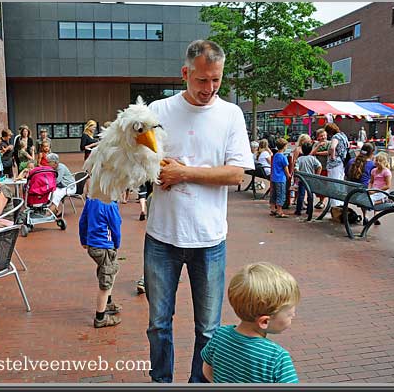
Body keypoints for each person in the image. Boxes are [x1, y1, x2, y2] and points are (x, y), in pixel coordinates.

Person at [144, 39, 254, 383]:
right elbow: (139, 162)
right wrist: (156, 167)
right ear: (185, 73)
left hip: (209, 239)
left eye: (216, 80)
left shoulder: (230, 114)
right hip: (162, 237)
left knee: (208, 328)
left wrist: (184, 172)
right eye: (202, 80)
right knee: (158, 323)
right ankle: (161, 381)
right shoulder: (158, 111)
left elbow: (237, 174)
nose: (209, 89)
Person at [201, 262, 300, 383]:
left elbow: (207, 370)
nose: (293, 316)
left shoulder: (219, 335)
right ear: (264, 321)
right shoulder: (276, 357)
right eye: (289, 314)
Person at [79, 197, 123, 328]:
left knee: (111, 269)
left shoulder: (91, 199)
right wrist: (117, 244)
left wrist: (83, 239)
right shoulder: (110, 204)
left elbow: (83, 221)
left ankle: (107, 302)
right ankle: (100, 317)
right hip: (105, 246)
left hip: (93, 245)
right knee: (106, 280)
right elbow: (116, 227)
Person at [345, 142, 376, 225]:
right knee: (377, 189)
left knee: (364, 188)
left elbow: (346, 175)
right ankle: (372, 216)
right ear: (372, 153)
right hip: (363, 195)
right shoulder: (372, 165)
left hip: (350, 193)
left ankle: (365, 216)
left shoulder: (351, 161)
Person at [294, 143, 322, 216]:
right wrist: (317, 175)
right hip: (311, 179)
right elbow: (319, 166)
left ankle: (298, 210)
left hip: (302, 179)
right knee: (310, 195)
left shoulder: (300, 159)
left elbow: (296, 168)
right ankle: (309, 210)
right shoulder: (312, 158)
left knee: (301, 195)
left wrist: (297, 175)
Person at [325, 122, 349, 206]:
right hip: (342, 162)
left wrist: (332, 156)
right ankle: (340, 203)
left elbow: (332, 147)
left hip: (334, 164)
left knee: (334, 184)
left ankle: (335, 205)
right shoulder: (343, 135)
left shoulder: (335, 137)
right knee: (340, 181)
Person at [47, 153, 76, 217]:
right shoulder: (53, 168)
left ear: (55, 162)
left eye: (49, 162)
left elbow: (57, 180)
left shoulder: (60, 168)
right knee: (50, 193)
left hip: (69, 186)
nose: (47, 163)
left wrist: (48, 184)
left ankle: (48, 213)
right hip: (61, 186)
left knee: (57, 195)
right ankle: (56, 210)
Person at [368, 152, 392, 225]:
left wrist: (375, 191)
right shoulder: (374, 171)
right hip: (374, 190)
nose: (377, 162)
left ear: (384, 162)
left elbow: (388, 186)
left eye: (379, 161)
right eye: (376, 160)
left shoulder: (386, 172)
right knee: (368, 198)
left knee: (370, 200)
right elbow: (371, 181)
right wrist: (369, 189)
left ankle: (384, 200)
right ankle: (376, 215)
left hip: (382, 191)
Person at [269, 138, 291, 218]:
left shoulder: (275, 155)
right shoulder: (283, 157)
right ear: (284, 147)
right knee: (281, 194)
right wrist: (288, 175)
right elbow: (285, 168)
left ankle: (272, 208)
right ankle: (279, 211)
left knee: (274, 194)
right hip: (281, 178)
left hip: (274, 177)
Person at [310, 128, 330, 209]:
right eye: (321, 136)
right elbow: (312, 153)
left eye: (324, 135)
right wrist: (318, 146)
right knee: (318, 185)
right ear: (318, 137)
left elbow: (329, 152)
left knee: (324, 184)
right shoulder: (316, 144)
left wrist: (317, 153)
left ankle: (322, 201)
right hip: (317, 168)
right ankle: (320, 200)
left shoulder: (329, 143)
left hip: (325, 167)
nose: (323, 137)